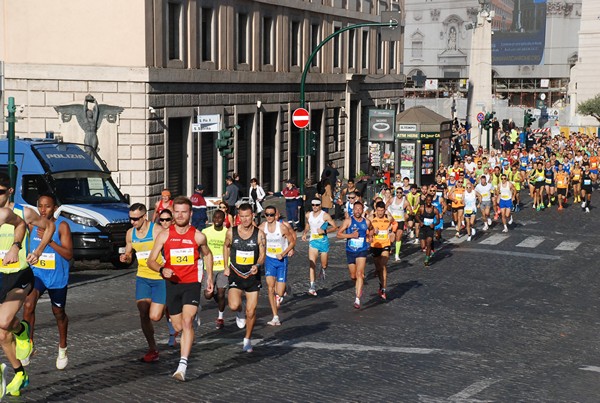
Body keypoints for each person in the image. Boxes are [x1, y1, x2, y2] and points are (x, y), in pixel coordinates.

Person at [0, 173, 55, 397]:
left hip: (19, 275)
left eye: (0, 192)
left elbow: (49, 227)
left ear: (9, 191)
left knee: (3, 321)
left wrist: (37, 250)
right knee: (2, 335)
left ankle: (23, 330)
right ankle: (19, 372)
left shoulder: (24, 212)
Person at [147, 197, 214, 382]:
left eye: (184, 212)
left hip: (192, 283)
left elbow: (208, 254)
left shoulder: (198, 235)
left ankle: (182, 365)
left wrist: (209, 278)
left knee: (187, 322)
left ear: (190, 213)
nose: (180, 215)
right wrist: (161, 269)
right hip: (172, 284)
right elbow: (151, 260)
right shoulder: (164, 235)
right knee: (177, 326)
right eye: (177, 211)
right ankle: (191, 316)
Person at [22, 194, 72, 370]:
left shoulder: (62, 226)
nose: (43, 210)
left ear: (55, 208)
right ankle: (28, 345)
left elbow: (68, 255)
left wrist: (49, 241)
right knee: (28, 304)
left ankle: (63, 347)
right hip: (38, 274)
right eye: (40, 206)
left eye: (48, 206)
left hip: (57, 277)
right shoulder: (31, 224)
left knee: (58, 312)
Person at [120, 203, 166, 363]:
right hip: (143, 277)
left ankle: (168, 308)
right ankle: (153, 349)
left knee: (155, 316)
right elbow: (129, 255)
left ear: (144, 216)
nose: (133, 222)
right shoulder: (130, 234)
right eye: (130, 219)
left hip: (160, 278)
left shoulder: (157, 230)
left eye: (135, 219)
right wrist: (125, 258)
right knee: (143, 312)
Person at [223, 203, 265, 353]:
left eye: (248, 216)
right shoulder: (231, 232)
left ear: (252, 216)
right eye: (242, 217)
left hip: (252, 275)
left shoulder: (259, 234)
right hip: (236, 272)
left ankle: (247, 339)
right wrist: (225, 265)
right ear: (238, 217)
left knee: (251, 311)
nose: (245, 219)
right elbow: (226, 246)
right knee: (234, 305)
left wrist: (258, 265)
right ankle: (239, 311)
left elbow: (262, 254)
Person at [259, 205, 296, 326]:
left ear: (275, 215)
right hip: (269, 259)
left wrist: (285, 252)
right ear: (265, 215)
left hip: (281, 260)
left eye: (271, 214)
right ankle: (275, 316)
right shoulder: (262, 227)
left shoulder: (282, 228)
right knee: (270, 288)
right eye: (267, 215)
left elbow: (292, 241)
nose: (269, 217)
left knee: (279, 293)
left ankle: (284, 289)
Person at [337, 201, 372, 309]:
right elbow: (338, 234)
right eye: (356, 209)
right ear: (353, 210)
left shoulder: (366, 222)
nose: (357, 211)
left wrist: (370, 237)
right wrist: (351, 235)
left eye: (359, 209)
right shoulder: (348, 221)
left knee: (359, 273)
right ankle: (358, 284)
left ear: (363, 210)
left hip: (362, 249)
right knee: (353, 276)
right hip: (350, 250)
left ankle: (357, 299)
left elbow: (371, 229)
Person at [301, 199, 337, 296]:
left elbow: (335, 227)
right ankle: (312, 287)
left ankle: (323, 268)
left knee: (324, 264)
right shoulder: (308, 215)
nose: (315, 206)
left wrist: (325, 231)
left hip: (323, 242)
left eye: (317, 205)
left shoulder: (325, 215)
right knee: (312, 264)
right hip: (313, 241)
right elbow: (308, 224)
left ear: (320, 205)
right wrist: (304, 233)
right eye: (313, 205)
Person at [202, 210, 229, 329]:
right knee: (208, 294)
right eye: (215, 218)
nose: (217, 220)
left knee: (222, 293)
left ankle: (220, 317)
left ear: (224, 220)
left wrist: (229, 267)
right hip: (209, 267)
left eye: (220, 218)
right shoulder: (205, 232)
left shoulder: (228, 233)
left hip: (223, 267)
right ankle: (221, 302)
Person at [370, 201, 394, 301]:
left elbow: (394, 226)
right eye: (378, 211)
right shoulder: (371, 219)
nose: (380, 213)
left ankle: (383, 289)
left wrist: (392, 234)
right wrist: (372, 232)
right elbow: (367, 231)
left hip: (385, 244)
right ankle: (381, 284)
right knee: (378, 267)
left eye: (382, 210)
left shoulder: (388, 218)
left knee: (383, 265)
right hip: (375, 245)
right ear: (376, 210)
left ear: (384, 210)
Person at [417, 195, 440, 266]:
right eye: (427, 200)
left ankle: (427, 259)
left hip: (430, 228)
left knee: (428, 242)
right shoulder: (421, 208)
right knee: (423, 246)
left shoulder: (435, 209)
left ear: (432, 201)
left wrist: (434, 224)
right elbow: (416, 215)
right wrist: (420, 222)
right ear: (425, 200)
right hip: (423, 228)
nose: (429, 202)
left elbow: (438, 220)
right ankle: (429, 248)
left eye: (430, 200)